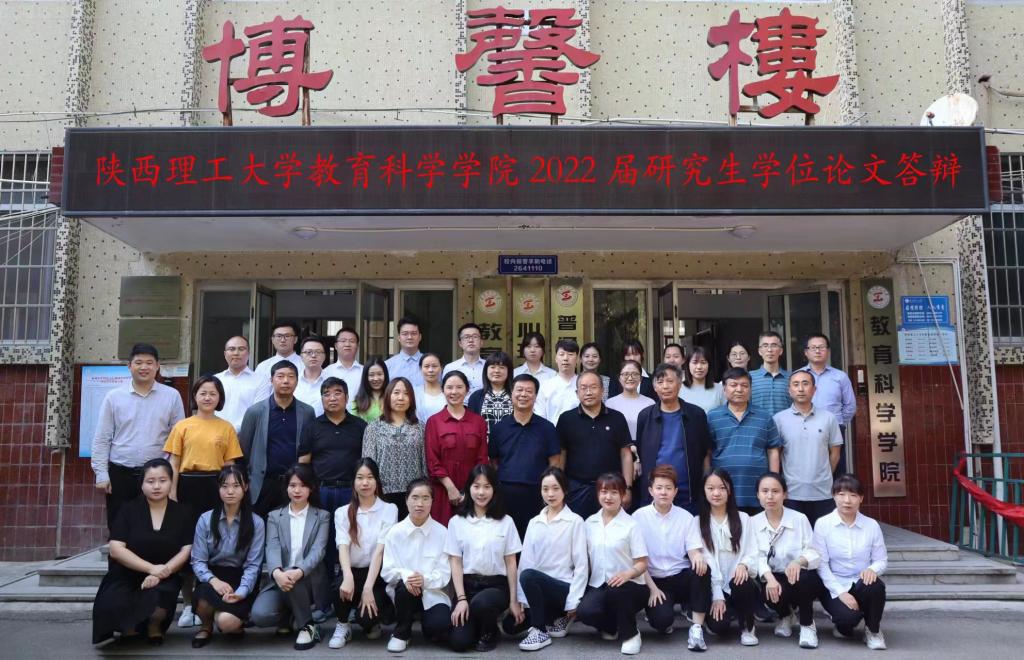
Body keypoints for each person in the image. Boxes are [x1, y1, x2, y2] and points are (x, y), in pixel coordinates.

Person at [164, 375, 243, 628]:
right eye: (203, 393)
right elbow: (174, 463)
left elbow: (230, 466)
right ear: (194, 397)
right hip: (187, 488)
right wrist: (172, 493)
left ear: (220, 398)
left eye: (213, 393)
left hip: (215, 487)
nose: (208, 397)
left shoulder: (226, 428)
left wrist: (229, 492)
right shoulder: (182, 426)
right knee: (188, 546)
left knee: (213, 545)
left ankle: (207, 602)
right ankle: (188, 605)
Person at [92, 458, 192, 646]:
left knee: (157, 601)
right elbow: (116, 549)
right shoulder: (128, 510)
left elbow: (186, 549)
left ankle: (154, 626)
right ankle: (129, 628)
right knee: (111, 604)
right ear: (142, 484)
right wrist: (150, 569)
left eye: (162, 480)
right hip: (128, 574)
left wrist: (162, 572)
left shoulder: (182, 513)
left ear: (171, 482)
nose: (157, 486)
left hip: (165, 574)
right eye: (150, 481)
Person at [92, 342, 186, 532]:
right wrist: (101, 473)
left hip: (157, 475)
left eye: (149, 363)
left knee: (155, 529)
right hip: (121, 474)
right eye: (139, 362)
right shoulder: (114, 397)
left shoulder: (172, 396)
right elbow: (102, 437)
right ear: (129, 366)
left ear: (157, 366)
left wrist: (173, 477)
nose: (144, 367)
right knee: (119, 529)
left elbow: (179, 439)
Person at [250, 464, 331, 651]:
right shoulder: (274, 516)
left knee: (294, 575)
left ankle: (307, 626)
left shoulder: (322, 516)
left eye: (303, 485)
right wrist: (277, 573)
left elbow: (318, 551)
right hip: (281, 579)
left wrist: (299, 571)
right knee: (260, 615)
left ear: (311, 488)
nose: (297, 490)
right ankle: (290, 615)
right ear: (286, 488)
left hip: (309, 580)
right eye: (292, 485)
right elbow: (272, 547)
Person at [445, 464, 525, 652]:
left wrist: (514, 600)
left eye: (487, 487)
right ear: (468, 488)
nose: (481, 492)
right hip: (468, 587)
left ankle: (490, 632)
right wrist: (461, 599)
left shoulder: (506, 521)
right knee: (459, 642)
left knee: (482, 604)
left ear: (494, 489)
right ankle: (477, 626)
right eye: (476, 486)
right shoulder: (456, 522)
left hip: (496, 587)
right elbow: (455, 562)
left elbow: (511, 563)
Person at [297, 377, 368, 585]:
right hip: (321, 492)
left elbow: (366, 461)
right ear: (321, 399)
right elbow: (303, 463)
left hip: (351, 492)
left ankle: (350, 587)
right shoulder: (312, 426)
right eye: (326, 394)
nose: (332, 398)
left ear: (347, 397)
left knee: (352, 539)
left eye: (337, 393)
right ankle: (325, 591)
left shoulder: (360, 426)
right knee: (323, 542)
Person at [632, 465, 710, 650]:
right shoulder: (638, 518)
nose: (663, 492)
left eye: (668, 488)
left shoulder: (685, 517)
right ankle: (660, 614)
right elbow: (637, 560)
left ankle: (697, 628)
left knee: (702, 568)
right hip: (654, 580)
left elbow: (693, 550)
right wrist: (652, 589)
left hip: (679, 576)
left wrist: (698, 556)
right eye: (659, 488)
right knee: (661, 622)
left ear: (675, 491)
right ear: (651, 490)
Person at [190, 465, 266, 648]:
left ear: (245, 487)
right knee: (204, 598)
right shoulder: (205, 519)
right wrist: (214, 581)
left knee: (226, 622)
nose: (230, 491)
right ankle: (206, 626)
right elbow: (198, 560)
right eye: (224, 486)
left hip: (240, 578)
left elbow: (253, 565)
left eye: (236, 486)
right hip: (212, 577)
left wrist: (241, 592)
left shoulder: (256, 522)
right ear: (218, 488)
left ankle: (229, 620)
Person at [514, 466, 588, 652]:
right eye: (545, 489)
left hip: (563, 589)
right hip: (539, 590)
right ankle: (557, 619)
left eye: (555, 488)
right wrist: (522, 600)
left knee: (529, 576)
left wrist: (573, 602)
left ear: (565, 489)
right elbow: (526, 562)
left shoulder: (575, 521)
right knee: (510, 625)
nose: (550, 494)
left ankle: (540, 631)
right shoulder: (534, 522)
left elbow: (581, 566)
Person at [577, 472, 649, 656]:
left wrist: (627, 574)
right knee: (585, 611)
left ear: (623, 495)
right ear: (597, 494)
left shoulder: (631, 525)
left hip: (630, 586)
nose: (608, 497)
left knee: (618, 591)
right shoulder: (589, 523)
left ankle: (631, 635)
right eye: (604, 491)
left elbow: (642, 563)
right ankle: (611, 626)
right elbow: (585, 561)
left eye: (614, 492)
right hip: (599, 584)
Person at [814, 474, 889, 650]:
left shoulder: (871, 525)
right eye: (841, 494)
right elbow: (821, 565)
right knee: (847, 619)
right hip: (834, 585)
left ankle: (873, 631)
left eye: (853, 495)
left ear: (861, 498)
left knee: (875, 585)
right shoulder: (823, 524)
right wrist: (841, 592)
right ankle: (841, 623)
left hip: (861, 583)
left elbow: (881, 560)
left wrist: (872, 569)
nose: (846, 500)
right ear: (833, 496)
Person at [750, 471, 822, 649]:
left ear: (785, 494)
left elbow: (814, 551)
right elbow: (756, 556)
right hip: (773, 576)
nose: (770, 496)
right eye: (765, 491)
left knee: (806, 579)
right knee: (767, 591)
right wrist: (769, 578)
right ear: (758, 495)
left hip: (799, 575)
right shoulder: (752, 523)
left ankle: (807, 625)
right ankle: (786, 616)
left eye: (775, 491)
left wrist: (799, 562)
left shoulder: (799, 519)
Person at [331, 458, 398, 648]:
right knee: (339, 587)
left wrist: (368, 588)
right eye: (360, 477)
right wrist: (347, 576)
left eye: (370, 477)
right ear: (353, 482)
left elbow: (380, 551)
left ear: (377, 481)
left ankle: (371, 623)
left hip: (376, 575)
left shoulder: (389, 509)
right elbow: (343, 546)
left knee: (367, 618)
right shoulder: (342, 512)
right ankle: (343, 624)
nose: (365, 483)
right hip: (352, 570)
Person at [380, 479, 453, 653]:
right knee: (405, 586)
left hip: (433, 593)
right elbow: (387, 571)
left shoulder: (442, 532)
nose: (419, 504)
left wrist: (424, 580)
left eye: (425, 498)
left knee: (439, 627)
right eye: (415, 497)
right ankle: (402, 633)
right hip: (403, 594)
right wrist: (407, 576)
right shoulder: (394, 532)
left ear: (432, 501)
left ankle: (428, 626)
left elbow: (444, 573)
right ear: (406, 500)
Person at [238, 361, 316, 518]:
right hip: (263, 483)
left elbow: (310, 448)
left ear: (297, 381)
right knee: (259, 527)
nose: (286, 381)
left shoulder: (307, 412)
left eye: (291, 377)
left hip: (294, 484)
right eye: (280, 376)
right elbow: (244, 450)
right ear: (271, 380)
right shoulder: (255, 412)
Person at [488, 374, 561, 538]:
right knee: (506, 538)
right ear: (511, 394)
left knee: (536, 538)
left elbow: (555, 462)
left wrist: (547, 488)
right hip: (505, 493)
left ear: (535, 396)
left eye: (529, 391)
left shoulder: (547, 428)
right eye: (519, 390)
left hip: (537, 493)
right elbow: (493, 462)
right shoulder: (499, 428)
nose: (523, 394)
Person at [634, 364, 711, 513]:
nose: (665, 386)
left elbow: (705, 453)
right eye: (660, 382)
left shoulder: (696, 415)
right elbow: (641, 453)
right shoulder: (645, 416)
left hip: (689, 494)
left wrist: (705, 484)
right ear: (654, 386)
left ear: (680, 383)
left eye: (670, 381)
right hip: (655, 494)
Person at [697, 468, 760, 646]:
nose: (716, 493)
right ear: (704, 491)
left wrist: (744, 565)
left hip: (738, 582)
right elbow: (707, 559)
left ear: (729, 490)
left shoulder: (744, 518)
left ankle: (748, 627)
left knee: (743, 582)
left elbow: (752, 550)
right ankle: (719, 615)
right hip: (715, 586)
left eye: (722, 488)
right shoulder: (698, 522)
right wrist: (717, 594)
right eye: (711, 488)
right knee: (719, 627)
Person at [557, 371, 634, 520]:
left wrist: (628, 488)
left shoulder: (617, 418)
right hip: (576, 490)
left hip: (611, 489)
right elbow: (561, 455)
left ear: (602, 391)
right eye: (583, 388)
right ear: (577, 393)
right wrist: (560, 487)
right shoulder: (566, 419)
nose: (588, 392)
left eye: (593, 387)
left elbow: (625, 454)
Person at [706, 368, 782, 513]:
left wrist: (774, 481)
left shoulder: (764, 416)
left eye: (744, 385)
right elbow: (707, 452)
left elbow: (773, 451)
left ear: (750, 389)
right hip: (722, 489)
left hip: (757, 489)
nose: (739, 389)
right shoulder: (712, 417)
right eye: (733, 385)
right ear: (724, 388)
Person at [775, 371, 843, 525]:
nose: (800, 389)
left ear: (814, 389)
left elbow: (835, 454)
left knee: (822, 536)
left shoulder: (829, 418)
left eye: (805, 384)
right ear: (789, 390)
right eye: (796, 384)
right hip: (791, 493)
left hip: (823, 493)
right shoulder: (779, 419)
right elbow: (776, 455)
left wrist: (823, 475)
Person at [425, 371, 489, 526]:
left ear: (467, 390)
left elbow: (482, 458)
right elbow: (432, 460)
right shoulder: (434, 422)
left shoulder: (478, 421)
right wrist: (450, 488)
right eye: (449, 387)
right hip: (443, 490)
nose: (454, 392)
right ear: (443, 390)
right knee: (443, 531)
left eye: (459, 387)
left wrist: (471, 489)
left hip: (473, 490)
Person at [361, 377, 427, 517]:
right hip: (383, 494)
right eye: (396, 393)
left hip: (414, 495)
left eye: (406, 393)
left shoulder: (420, 427)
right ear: (388, 396)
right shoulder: (374, 428)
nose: (401, 398)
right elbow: (368, 464)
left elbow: (425, 463)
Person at [798, 333, 856, 473]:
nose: (817, 351)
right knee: (808, 468)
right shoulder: (798, 375)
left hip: (834, 430)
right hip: (804, 428)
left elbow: (850, 406)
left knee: (836, 470)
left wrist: (837, 422)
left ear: (828, 351)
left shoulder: (840, 376)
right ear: (806, 352)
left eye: (822, 347)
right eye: (813, 348)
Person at [216, 336, 261, 433]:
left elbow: (258, 412)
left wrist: (231, 431)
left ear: (248, 353)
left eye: (241, 349)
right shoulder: (215, 380)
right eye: (232, 349)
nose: (236, 353)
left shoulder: (261, 381)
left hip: (247, 436)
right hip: (215, 434)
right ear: (225, 354)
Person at [606, 359, 656, 444]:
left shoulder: (650, 403)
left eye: (635, 374)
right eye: (625, 374)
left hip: (644, 446)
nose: (630, 378)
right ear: (619, 378)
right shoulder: (610, 403)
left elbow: (653, 432)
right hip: (618, 447)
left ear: (640, 378)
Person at [466, 351, 514, 438]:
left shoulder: (516, 395)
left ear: (509, 371)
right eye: (492, 367)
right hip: (484, 444)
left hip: (511, 444)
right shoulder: (476, 397)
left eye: (502, 367)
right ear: (486, 370)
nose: (497, 371)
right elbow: (471, 427)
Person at [254, 322, 304, 400]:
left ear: (295, 339)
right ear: (272, 339)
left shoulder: (305, 365)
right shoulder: (262, 367)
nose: (283, 340)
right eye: (279, 336)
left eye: (287, 336)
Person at [536, 339, 580, 423]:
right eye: (561, 354)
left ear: (577, 359)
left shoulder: (583, 385)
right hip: (552, 430)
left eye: (570, 354)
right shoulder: (545, 386)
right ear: (556, 358)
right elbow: (540, 416)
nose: (565, 358)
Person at [749, 331, 791, 416]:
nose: (769, 350)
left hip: (785, 424)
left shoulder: (792, 377)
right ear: (759, 351)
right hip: (758, 424)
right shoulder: (749, 377)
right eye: (765, 346)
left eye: (774, 345)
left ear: (781, 351)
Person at [443, 322, 486, 394]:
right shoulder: (450, 368)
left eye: (475, 336)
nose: (471, 340)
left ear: (481, 342)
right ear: (460, 343)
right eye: (466, 337)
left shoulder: (489, 367)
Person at [680, 346, 725, 413]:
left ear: (709, 365)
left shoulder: (719, 389)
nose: (699, 367)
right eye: (695, 362)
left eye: (703, 362)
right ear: (688, 365)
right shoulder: (679, 389)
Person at [322, 327, 363, 401]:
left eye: (352, 341)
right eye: (343, 341)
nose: (347, 344)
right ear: (336, 346)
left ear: (357, 346)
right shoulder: (326, 372)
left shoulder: (364, 371)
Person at [293, 336, 329, 416]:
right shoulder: (292, 381)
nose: (313, 356)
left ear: (324, 356)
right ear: (301, 356)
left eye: (318, 352)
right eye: (308, 352)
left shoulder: (332, 381)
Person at [385, 317, 425, 387]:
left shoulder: (430, 364)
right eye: (405, 334)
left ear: (420, 337)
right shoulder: (388, 365)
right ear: (399, 337)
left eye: (414, 333)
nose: (409, 337)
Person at [351, 357, 389, 423]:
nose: (376, 378)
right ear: (366, 377)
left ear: (385, 375)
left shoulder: (392, 398)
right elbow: (353, 425)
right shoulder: (358, 401)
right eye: (371, 375)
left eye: (379, 374)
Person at [414, 353, 446, 420]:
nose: (430, 370)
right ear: (420, 368)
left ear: (441, 368)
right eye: (426, 366)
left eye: (434, 366)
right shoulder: (414, 392)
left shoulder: (449, 391)